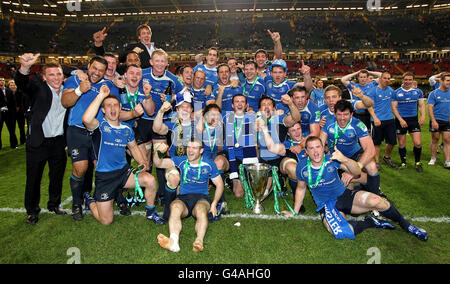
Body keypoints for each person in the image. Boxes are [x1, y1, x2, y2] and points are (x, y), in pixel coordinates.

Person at [286, 136, 428, 241]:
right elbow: (300, 188)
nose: (315, 151)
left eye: (318, 147)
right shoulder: (302, 167)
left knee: (378, 201)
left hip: (344, 196)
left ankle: (407, 225)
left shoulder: (332, 159)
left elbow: (356, 172)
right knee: (341, 232)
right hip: (327, 205)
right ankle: (370, 222)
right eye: (311, 148)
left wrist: (345, 159)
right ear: (306, 151)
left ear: (323, 148)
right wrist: (295, 211)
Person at [81, 88, 159, 225]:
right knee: (106, 221)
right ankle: (91, 201)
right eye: (108, 105)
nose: (112, 108)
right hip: (105, 177)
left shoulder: (126, 129)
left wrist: (142, 162)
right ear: (103, 110)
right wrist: (101, 96)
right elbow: (86, 119)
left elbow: (133, 147)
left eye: (115, 105)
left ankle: (151, 212)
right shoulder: (99, 127)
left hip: (124, 173)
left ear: (120, 108)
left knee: (150, 181)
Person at [62, 55, 119, 221]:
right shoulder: (75, 79)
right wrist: (80, 89)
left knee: (102, 168)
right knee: (80, 168)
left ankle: (99, 199)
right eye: (94, 68)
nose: (97, 73)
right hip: (77, 130)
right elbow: (65, 102)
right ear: (88, 66)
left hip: (98, 132)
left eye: (101, 70)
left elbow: (113, 109)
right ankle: (77, 203)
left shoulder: (109, 86)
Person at [15, 53, 68, 225]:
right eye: (51, 74)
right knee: (34, 178)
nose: (56, 78)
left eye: (59, 74)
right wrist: (25, 67)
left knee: (57, 176)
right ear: (44, 77)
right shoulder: (38, 87)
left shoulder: (67, 92)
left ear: (63, 75)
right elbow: (23, 83)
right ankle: (32, 211)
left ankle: (54, 204)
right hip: (38, 142)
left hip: (58, 142)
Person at [154, 138, 224, 252]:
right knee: (175, 206)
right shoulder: (181, 160)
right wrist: (157, 153)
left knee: (201, 210)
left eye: (194, 148)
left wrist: (214, 204)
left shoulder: (209, 164)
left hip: (202, 198)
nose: (190, 151)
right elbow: (159, 163)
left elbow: (220, 184)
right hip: (184, 198)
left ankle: (199, 241)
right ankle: (173, 242)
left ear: (201, 151)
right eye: (189, 147)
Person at [320, 100, 381, 196]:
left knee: (371, 166)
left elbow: (371, 150)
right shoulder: (327, 121)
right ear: (335, 114)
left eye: (346, 114)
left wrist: (355, 170)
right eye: (339, 114)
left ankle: (376, 194)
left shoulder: (358, 124)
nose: (342, 118)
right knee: (347, 188)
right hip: (336, 157)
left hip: (354, 154)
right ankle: (367, 186)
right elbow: (320, 144)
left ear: (351, 114)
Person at [391, 72, 426, 172]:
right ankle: (403, 163)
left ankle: (418, 162)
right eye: (406, 79)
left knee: (418, 143)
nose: (407, 81)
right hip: (400, 120)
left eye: (410, 79)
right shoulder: (396, 92)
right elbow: (394, 108)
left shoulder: (418, 91)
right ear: (403, 80)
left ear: (413, 80)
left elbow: (421, 105)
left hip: (413, 120)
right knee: (402, 143)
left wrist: (423, 116)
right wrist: (401, 120)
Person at [366, 72, 397, 169]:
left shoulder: (391, 91)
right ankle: (377, 162)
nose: (387, 80)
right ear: (380, 79)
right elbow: (369, 106)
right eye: (385, 78)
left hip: (390, 119)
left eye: (388, 78)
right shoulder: (372, 91)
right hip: (377, 120)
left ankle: (386, 157)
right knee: (377, 142)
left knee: (392, 141)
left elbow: (393, 106)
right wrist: (375, 118)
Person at [427, 72, 450, 169]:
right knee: (435, 139)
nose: (449, 82)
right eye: (448, 80)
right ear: (441, 81)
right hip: (436, 120)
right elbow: (430, 108)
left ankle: (447, 161)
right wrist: (433, 121)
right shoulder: (434, 93)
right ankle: (433, 158)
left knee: (447, 140)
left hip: (447, 121)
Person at [0, 76, 18, 149]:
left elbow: (13, 102)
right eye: (0, 80)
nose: (2, 81)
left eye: (3, 80)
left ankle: (14, 145)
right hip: (0, 113)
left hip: (9, 113)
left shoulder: (9, 91)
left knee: (12, 130)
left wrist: (12, 111)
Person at [8, 80, 26, 145]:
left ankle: (23, 141)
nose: (13, 86)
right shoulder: (7, 93)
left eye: (14, 85)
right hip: (11, 114)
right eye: (11, 85)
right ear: (9, 86)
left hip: (20, 113)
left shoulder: (20, 92)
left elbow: (23, 102)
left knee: (22, 128)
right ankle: (13, 143)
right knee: (12, 129)